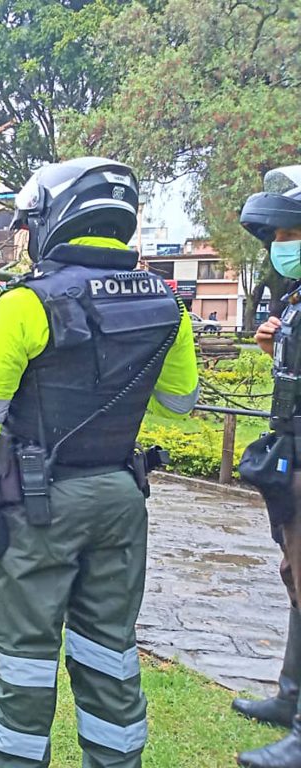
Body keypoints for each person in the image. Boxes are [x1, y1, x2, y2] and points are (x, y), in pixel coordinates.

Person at [0, 157, 199, 768]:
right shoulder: (168, 303)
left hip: (38, 507)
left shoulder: (25, 304)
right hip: (121, 499)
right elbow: (180, 401)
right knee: (110, 652)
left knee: (25, 662)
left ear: (54, 218)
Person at [233, 165, 301, 768]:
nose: (281, 246)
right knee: (293, 574)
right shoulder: (297, 300)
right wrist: (272, 344)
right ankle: (290, 698)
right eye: (276, 237)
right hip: (290, 452)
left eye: (289, 234)